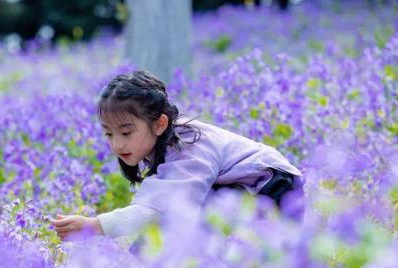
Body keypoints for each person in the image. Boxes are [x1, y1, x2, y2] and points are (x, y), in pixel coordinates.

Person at [50, 69, 304, 241]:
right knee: (159, 239)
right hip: (247, 191)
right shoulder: (165, 141)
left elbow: (159, 208)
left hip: (272, 190)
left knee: (176, 226)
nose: (117, 144)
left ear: (159, 124)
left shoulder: (188, 145)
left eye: (126, 132)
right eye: (109, 134)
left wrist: (96, 226)